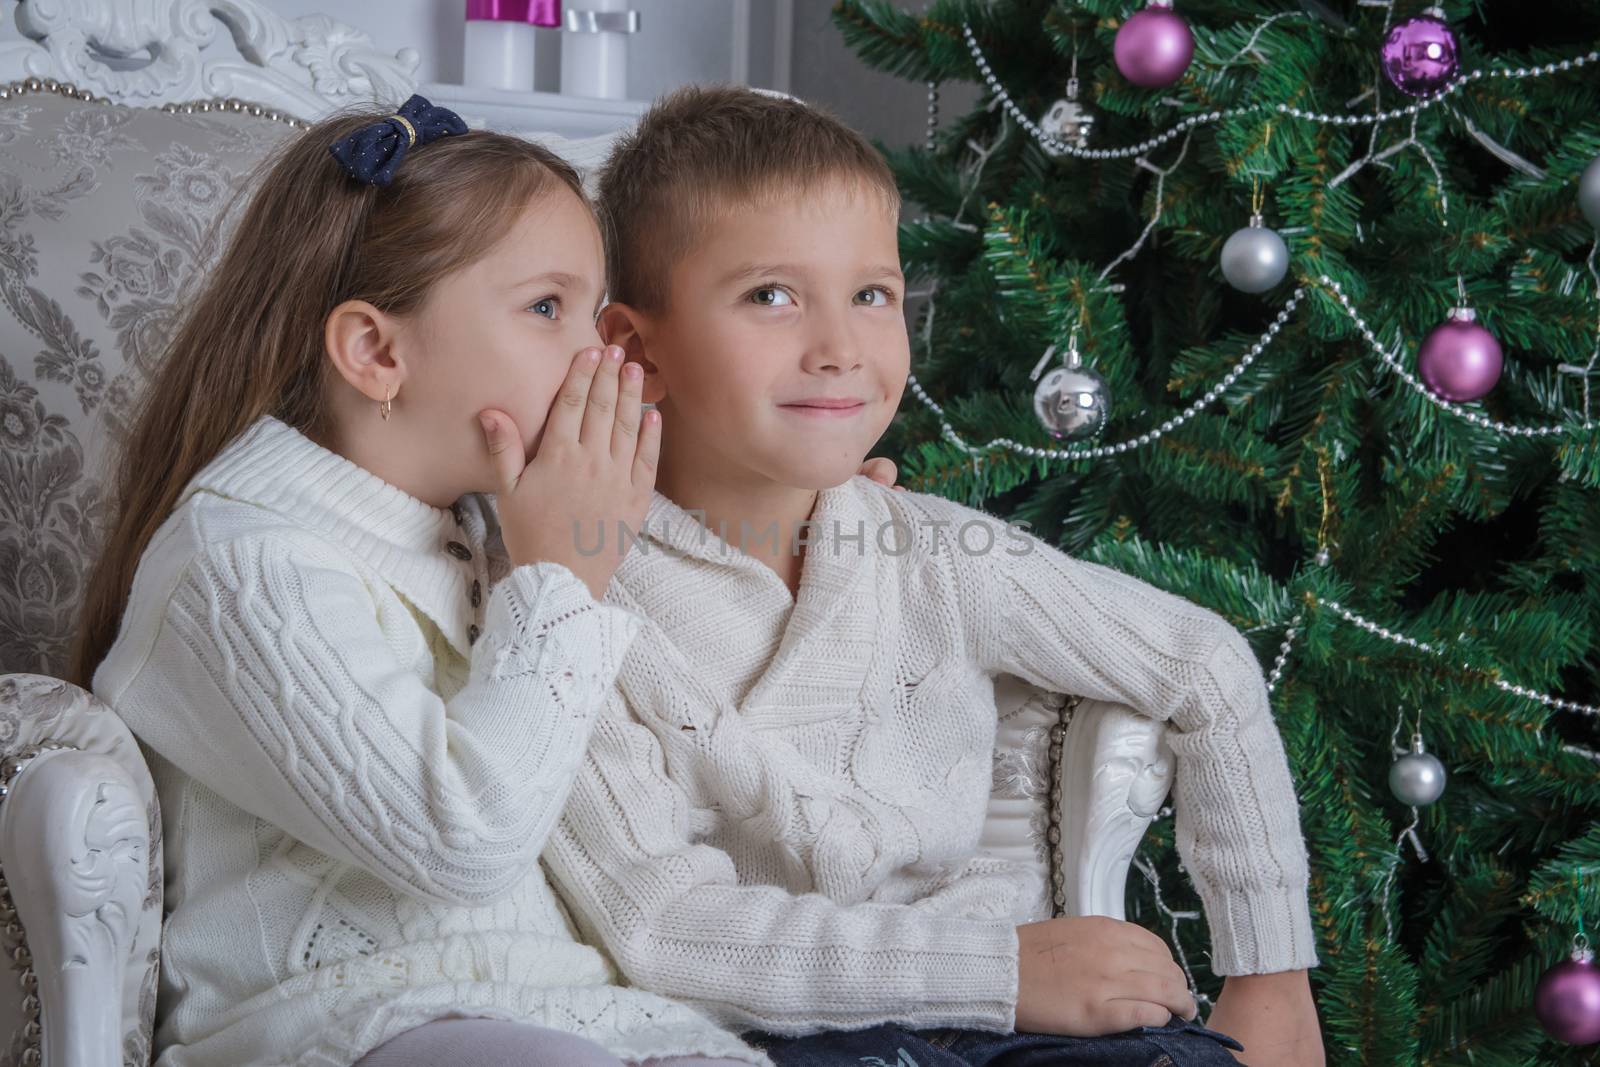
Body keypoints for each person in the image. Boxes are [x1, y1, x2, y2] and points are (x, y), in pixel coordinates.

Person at [543, 85, 1327, 1067]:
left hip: (1010, 1019)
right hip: (758, 1031)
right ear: (634, 348)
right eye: (771, 296)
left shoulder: (941, 554)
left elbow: (1202, 662)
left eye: (871, 293)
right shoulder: (572, 584)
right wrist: (995, 966)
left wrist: (1269, 977)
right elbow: (662, 927)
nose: (839, 349)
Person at [77, 95, 764, 1067]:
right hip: (356, 1020)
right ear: (376, 352)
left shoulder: (498, 529)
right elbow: (461, 843)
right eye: (545, 307)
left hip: (585, 1012)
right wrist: (560, 578)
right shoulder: (242, 563)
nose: (601, 353)